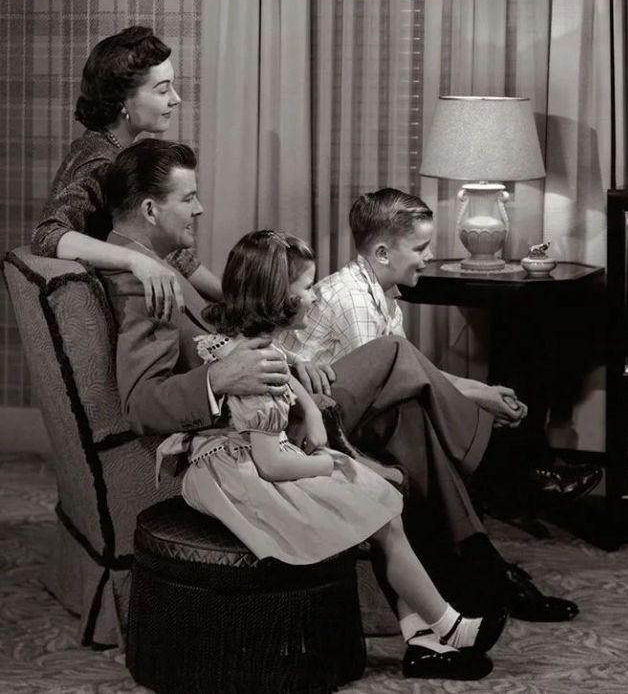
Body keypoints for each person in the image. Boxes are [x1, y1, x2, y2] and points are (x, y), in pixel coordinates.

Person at [94, 138, 516, 676]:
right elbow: (140, 404)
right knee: (393, 354)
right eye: (189, 197)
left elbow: (242, 309)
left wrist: (288, 361)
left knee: (405, 414)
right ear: (151, 209)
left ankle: (435, 622)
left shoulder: (162, 259)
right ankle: (481, 511)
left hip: (280, 395)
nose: (200, 208)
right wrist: (222, 377)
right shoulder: (139, 282)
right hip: (254, 425)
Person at [155, 230, 506, 680]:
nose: (314, 298)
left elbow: (278, 364)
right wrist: (330, 461)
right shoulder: (255, 375)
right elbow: (271, 462)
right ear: (280, 298)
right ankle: (450, 628)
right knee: (381, 506)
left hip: (269, 452)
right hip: (254, 470)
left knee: (388, 493)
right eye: (306, 289)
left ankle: (425, 639)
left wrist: (308, 406)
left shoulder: (256, 348)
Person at [277, 188, 581, 623]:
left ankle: (486, 569)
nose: (428, 256)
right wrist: (479, 396)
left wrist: (482, 389)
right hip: (309, 420)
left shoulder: (382, 296)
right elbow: (395, 374)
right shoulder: (350, 298)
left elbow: (411, 375)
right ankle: (509, 473)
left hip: (351, 412)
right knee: (406, 397)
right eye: (419, 248)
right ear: (382, 251)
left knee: (414, 420)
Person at [32, 25, 221, 321]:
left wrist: (229, 296)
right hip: (122, 315)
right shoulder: (98, 162)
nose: (176, 99)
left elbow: (172, 253)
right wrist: (136, 260)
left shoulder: (116, 151)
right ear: (123, 102)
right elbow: (47, 235)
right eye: (162, 90)